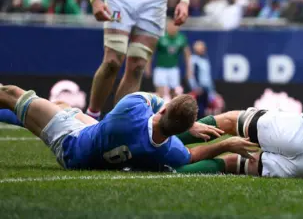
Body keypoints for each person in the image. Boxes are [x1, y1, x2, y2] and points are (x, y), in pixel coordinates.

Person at [0, 85, 257, 171]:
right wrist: (223, 144)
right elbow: (193, 155)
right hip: (91, 146)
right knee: (62, 105)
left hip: (71, 142)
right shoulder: (169, 150)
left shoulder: (131, 111)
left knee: (13, 94)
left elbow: (152, 99)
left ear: (164, 111)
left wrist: (177, 112)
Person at [148, 19, 191, 100]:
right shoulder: (161, 37)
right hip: (161, 69)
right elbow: (151, 52)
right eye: (170, 26)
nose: (173, 28)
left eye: (175, 26)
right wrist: (148, 67)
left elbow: (187, 55)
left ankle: (173, 111)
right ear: (167, 27)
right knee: (160, 93)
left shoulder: (181, 38)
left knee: (175, 93)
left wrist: (189, 70)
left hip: (173, 69)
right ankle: (159, 110)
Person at [188, 40, 224, 119]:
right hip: (199, 88)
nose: (203, 49)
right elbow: (191, 75)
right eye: (201, 48)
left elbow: (207, 76)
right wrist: (195, 87)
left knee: (210, 107)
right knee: (199, 108)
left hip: (207, 88)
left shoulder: (205, 59)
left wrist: (212, 90)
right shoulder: (193, 59)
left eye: (203, 48)